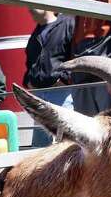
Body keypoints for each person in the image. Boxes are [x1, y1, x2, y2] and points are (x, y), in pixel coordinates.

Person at [23, 8, 75, 147]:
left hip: (61, 93)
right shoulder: (36, 32)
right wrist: (28, 80)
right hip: (39, 94)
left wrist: (64, 79)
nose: (29, 8)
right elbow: (30, 61)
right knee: (40, 147)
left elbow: (75, 55)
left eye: (34, 4)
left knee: (64, 144)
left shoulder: (67, 24)